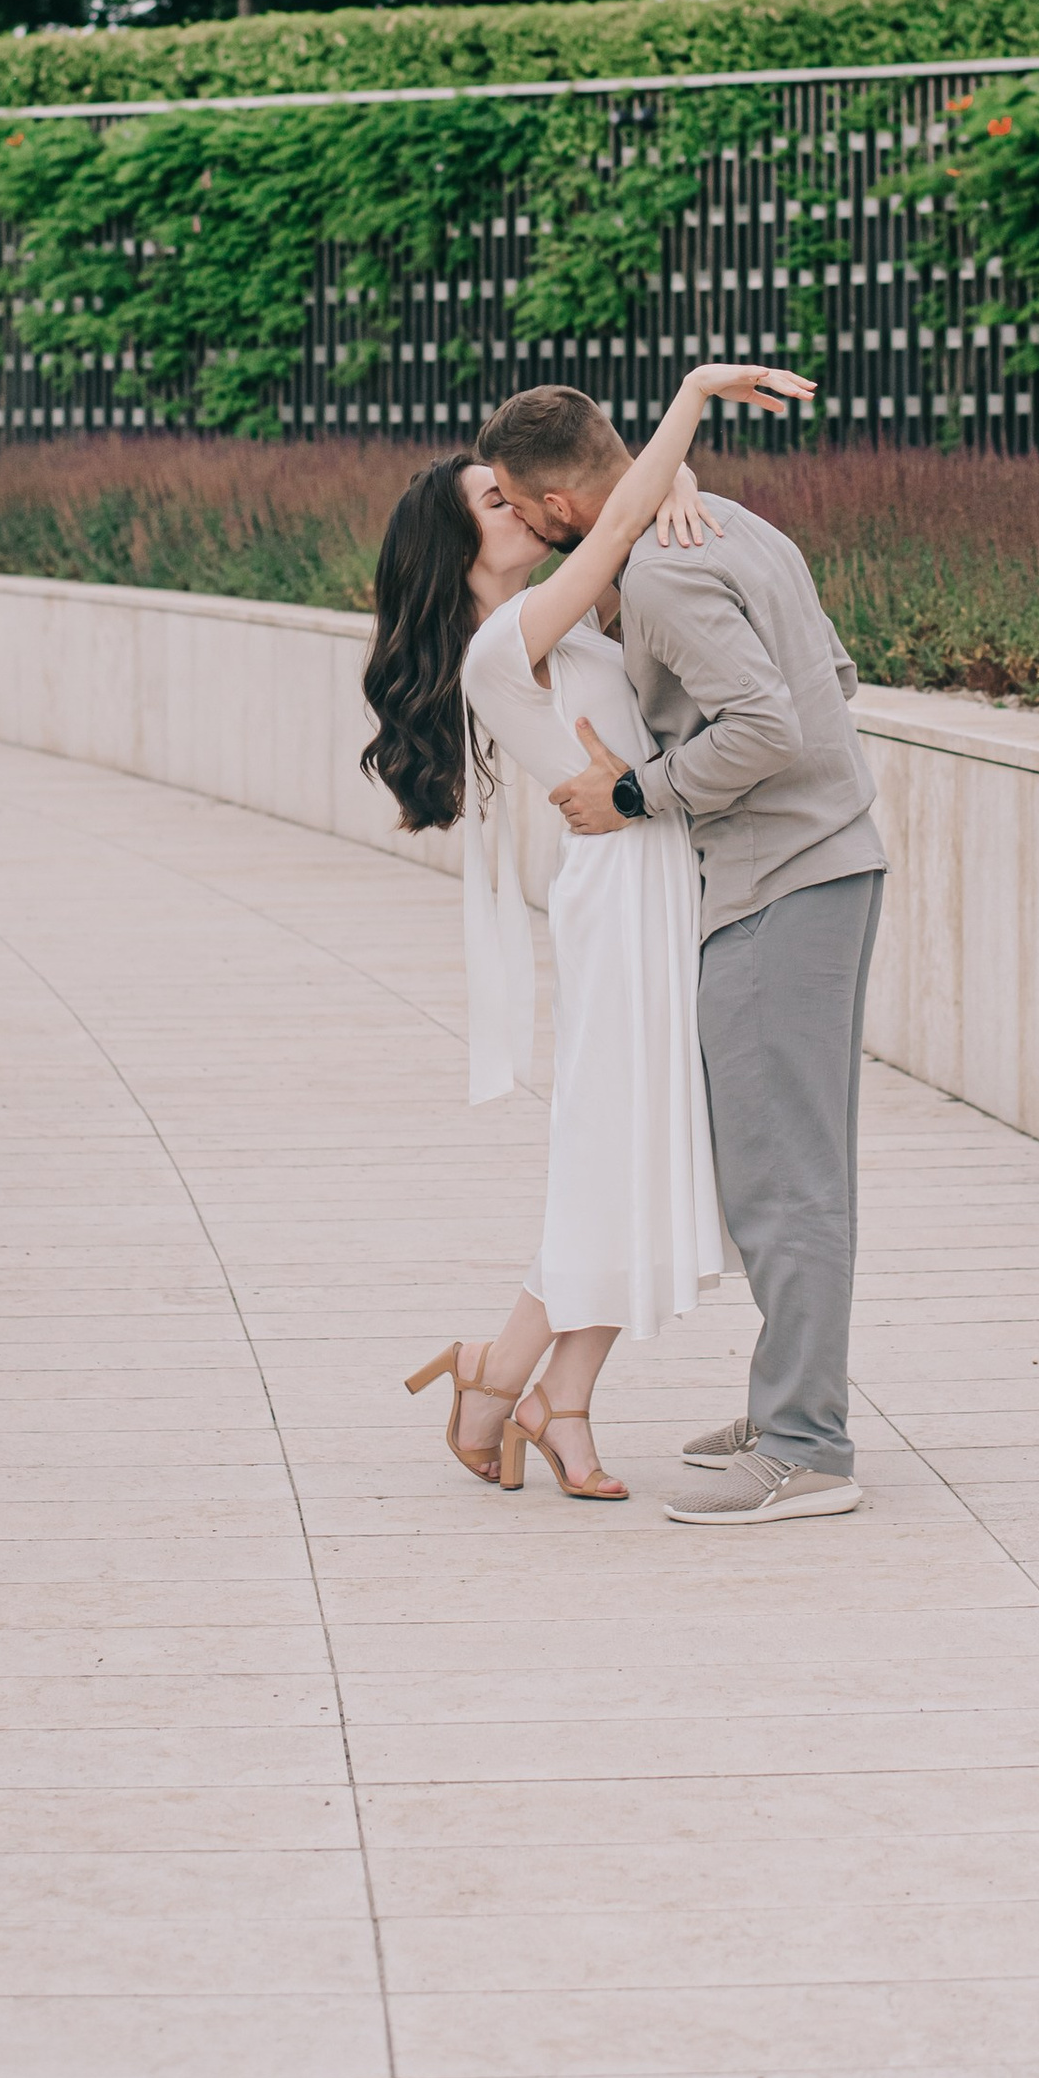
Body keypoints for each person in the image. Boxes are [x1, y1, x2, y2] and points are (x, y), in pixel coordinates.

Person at [360, 362, 813, 1503]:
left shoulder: (551, 614)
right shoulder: (497, 642)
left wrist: (676, 483)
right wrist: (695, 396)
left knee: (643, 1153)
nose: (518, 507)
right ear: (451, 550)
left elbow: (615, 505)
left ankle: (552, 1397)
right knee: (614, 1152)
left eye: (514, 492)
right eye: (492, 504)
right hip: (621, 893)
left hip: (662, 872)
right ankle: (502, 1371)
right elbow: (609, 512)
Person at [482, 382, 886, 1528]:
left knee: (783, 1179)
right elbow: (834, 674)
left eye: (518, 502)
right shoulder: (732, 524)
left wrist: (632, 789)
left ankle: (808, 1444)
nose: (519, 520)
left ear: (561, 500)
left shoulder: (662, 569)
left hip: (778, 878)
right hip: (819, 860)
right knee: (793, 1166)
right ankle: (793, 1408)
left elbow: (770, 723)